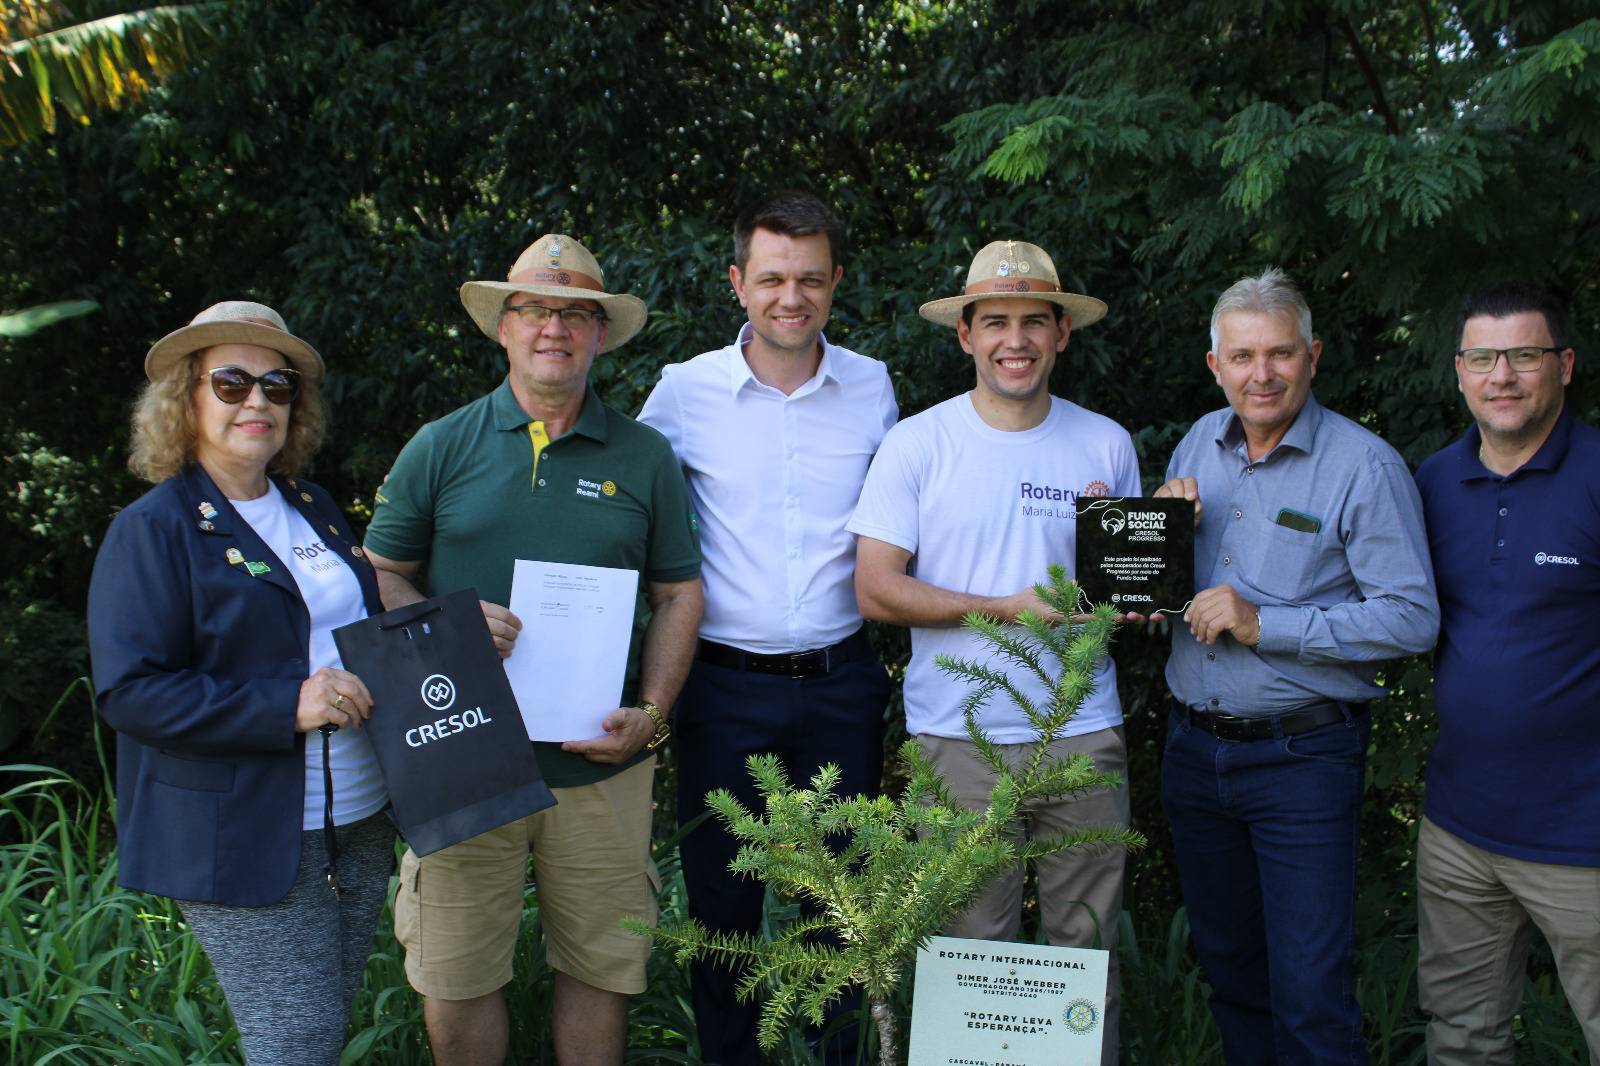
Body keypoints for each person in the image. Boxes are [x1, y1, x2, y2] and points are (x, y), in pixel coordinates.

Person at [361, 234, 703, 1066]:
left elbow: (679, 594)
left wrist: (652, 717)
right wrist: (447, 625)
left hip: (599, 761)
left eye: (576, 313)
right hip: (458, 756)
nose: (556, 327)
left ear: (599, 334)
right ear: (504, 327)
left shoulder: (645, 457)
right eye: (536, 310)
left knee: (600, 969)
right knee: (457, 971)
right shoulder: (442, 445)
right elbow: (378, 574)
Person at [850, 239, 1138, 1065]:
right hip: (957, 736)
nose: (1017, 339)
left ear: (1062, 335)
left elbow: (1120, 588)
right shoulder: (918, 443)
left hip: (1083, 727)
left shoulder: (1105, 444)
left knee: (1087, 952)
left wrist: (1154, 582)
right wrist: (1003, 611)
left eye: (1034, 323)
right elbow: (875, 588)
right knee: (969, 956)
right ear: (966, 335)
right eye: (998, 322)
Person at [87, 301, 394, 1066]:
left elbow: (353, 628)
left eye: (276, 385)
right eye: (230, 382)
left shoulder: (314, 509)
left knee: (323, 1028)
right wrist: (286, 706)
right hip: (246, 831)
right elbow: (130, 691)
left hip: (357, 818)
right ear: (186, 400)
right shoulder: (153, 529)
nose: (256, 400)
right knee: (296, 1041)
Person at [1155, 268, 1439, 1065]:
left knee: (1312, 995)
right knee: (1233, 977)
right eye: (1242, 356)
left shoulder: (1364, 466)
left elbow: (1412, 618)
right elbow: (1170, 592)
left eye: (1280, 353)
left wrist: (1264, 624)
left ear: (1312, 356)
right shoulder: (1194, 446)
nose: (1262, 374)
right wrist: (1150, 541)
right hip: (1194, 752)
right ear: (1216, 366)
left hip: (1301, 758)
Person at [636, 191, 895, 1065]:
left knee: (844, 909)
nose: (793, 297)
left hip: (843, 681)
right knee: (724, 909)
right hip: (721, 687)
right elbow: (626, 512)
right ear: (737, 282)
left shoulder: (872, 386)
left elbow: (919, 517)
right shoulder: (682, 392)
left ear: (837, 284)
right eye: (774, 278)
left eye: (811, 280)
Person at [1412, 281, 1599, 1063]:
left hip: (1585, 837)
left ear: (1564, 363)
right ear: (1459, 371)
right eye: (1483, 357)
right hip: (1460, 832)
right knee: (1462, 1040)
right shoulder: (1430, 484)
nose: (1504, 377)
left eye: (1524, 355)